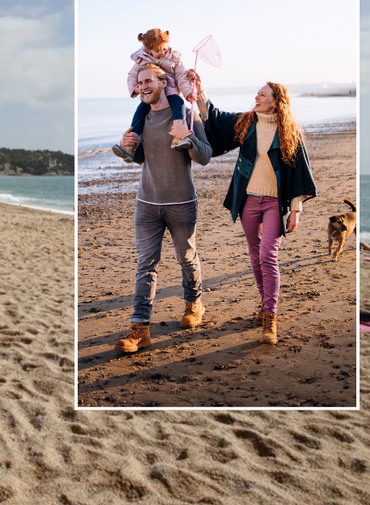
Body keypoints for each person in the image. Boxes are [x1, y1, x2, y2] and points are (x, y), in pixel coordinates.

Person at [192, 71, 316, 345]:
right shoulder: (246, 123)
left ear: (276, 102)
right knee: (255, 254)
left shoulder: (289, 132)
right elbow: (216, 117)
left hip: (274, 203)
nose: (256, 98)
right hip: (248, 199)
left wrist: (295, 209)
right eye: (257, 94)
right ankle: (264, 302)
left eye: (262, 95)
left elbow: (298, 172)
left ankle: (270, 317)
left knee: (268, 256)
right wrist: (199, 91)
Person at [114, 63, 212, 353]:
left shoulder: (184, 114)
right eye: (139, 82)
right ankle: (139, 328)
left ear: (162, 82)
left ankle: (194, 304)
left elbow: (204, 156)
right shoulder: (141, 118)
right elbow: (143, 158)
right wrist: (127, 146)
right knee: (146, 264)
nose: (142, 86)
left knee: (186, 257)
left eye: (147, 81)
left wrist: (187, 137)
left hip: (182, 202)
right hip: (147, 202)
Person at [113, 28, 197, 162]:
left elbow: (181, 76)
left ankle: (178, 137)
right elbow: (131, 76)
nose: (162, 53)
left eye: (164, 48)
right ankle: (131, 144)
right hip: (151, 96)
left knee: (179, 105)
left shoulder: (173, 58)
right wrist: (135, 89)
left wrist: (188, 93)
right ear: (148, 50)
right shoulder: (142, 60)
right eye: (157, 51)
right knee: (140, 112)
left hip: (171, 92)